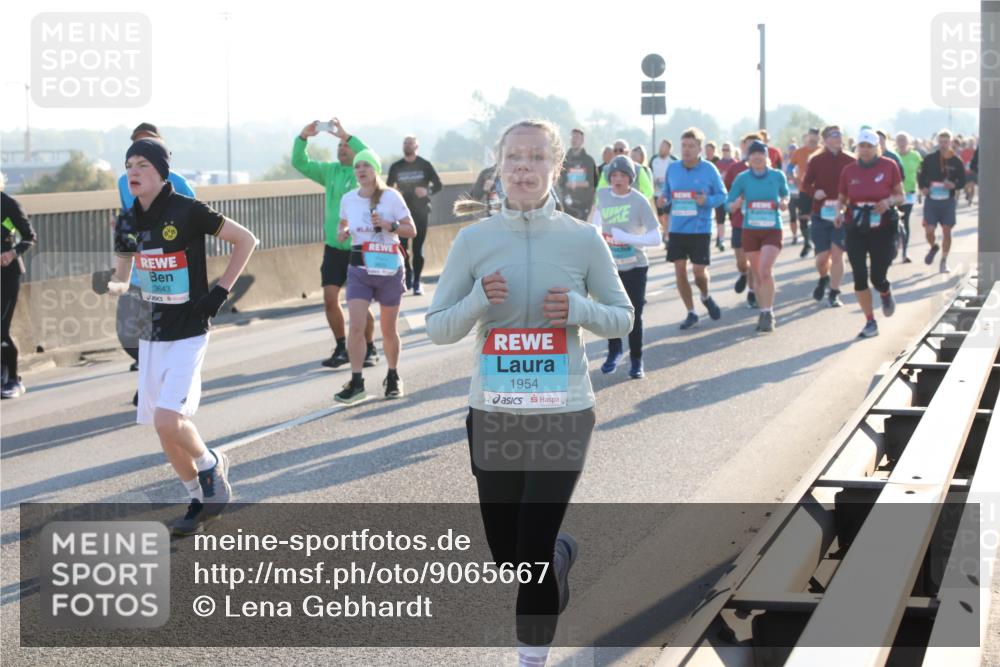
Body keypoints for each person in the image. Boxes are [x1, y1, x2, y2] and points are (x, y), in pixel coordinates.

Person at [426, 119, 633, 667]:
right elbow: (438, 326)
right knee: (510, 556)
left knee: (533, 552)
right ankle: (561, 557)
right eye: (514, 157)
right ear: (499, 166)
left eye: (536, 157)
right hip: (494, 413)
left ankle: (530, 659)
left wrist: (581, 311)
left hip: (562, 412)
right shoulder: (473, 240)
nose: (523, 167)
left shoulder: (582, 238)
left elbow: (622, 319)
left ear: (555, 167)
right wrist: (476, 300)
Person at [93, 138, 257, 535]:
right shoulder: (128, 221)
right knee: (162, 427)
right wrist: (109, 286)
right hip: (152, 333)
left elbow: (246, 240)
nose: (132, 171)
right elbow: (123, 279)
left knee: (170, 418)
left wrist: (220, 291)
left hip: (188, 330)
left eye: (142, 165)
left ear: (162, 171)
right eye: (129, 164)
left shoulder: (188, 210)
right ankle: (197, 498)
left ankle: (210, 465)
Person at [111, 123, 196, 380]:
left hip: (169, 272)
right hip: (139, 268)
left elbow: (195, 221)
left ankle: (158, 378)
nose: (142, 150)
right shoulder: (124, 182)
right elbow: (129, 219)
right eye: (136, 146)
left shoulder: (179, 183)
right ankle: (154, 368)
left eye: (150, 144)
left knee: (160, 333)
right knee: (127, 335)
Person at [293, 118, 378, 369]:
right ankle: (342, 346)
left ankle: (369, 346)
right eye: (339, 146)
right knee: (331, 298)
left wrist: (346, 134)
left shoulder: (364, 173)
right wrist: (302, 137)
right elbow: (300, 162)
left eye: (346, 146)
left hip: (358, 247)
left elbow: (370, 154)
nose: (341, 148)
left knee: (358, 303)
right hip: (333, 246)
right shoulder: (329, 172)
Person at [334, 149, 417, 404]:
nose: (360, 170)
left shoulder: (391, 197)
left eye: (366, 166)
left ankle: (393, 377)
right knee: (356, 327)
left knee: (388, 329)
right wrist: (343, 231)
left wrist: (389, 226)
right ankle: (357, 381)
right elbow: (342, 224)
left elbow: (410, 230)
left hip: (388, 267)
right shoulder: (348, 199)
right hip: (359, 268)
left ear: (375, 170)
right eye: (357, 166)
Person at [590, 155, 660, 378]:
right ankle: (614, 351)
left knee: (634, 314)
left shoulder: (639, 201)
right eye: (613, 175)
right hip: (610, 265)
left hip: (636, 266)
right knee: (611, 311)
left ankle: (637, 360)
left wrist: (629, 238)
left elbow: (656, 237)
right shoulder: (602, 195)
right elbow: (596, 222)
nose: (617, 179)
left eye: (622, 175)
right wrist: (598, 233)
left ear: (630, 178)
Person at [835, 129, 904, 338]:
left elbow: (901, 196)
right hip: (856, 225)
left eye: (869, 146)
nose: (865, 150)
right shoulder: (849, 170)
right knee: (859, 275)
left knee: (877, 276)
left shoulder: (889, 166)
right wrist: (838, 212)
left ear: (877, 147)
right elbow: (842, 198)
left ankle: (885, 291)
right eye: (861, 146)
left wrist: (888, 202)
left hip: (882, 227)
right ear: (857, 148)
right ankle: (870, 321)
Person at [660, 127, 727, 329]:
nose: (687, 150)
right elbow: (667, 193)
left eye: (691, 146)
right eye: (684, 146)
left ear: (700, 148)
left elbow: (723, 196)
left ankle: (705, 296)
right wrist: (664, 199)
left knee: (699, 273)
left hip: (700, 229)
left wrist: (706, 200)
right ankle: (691, 312)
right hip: (678, 228)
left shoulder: (709, 169)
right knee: (679, 270)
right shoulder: (673, 168)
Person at [725, 140, 789, 332]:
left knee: (764, 269)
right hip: (750, 230)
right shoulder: (742, 178)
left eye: (761, 153)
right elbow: (729, 202)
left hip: (772, 228)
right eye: (753, 154)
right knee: (758, 274)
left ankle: (769, 312)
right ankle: (763, 310)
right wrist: (734, 204)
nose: (757, 157)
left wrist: (784, 202)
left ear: (766, 156)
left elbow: (786, 195)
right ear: (748, 158)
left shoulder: (777, 176)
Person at [801, 125, 854, 307]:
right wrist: (814, 192)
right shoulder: (816, 160)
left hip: (842, 214)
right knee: (822, 258)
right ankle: (824, 277)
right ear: (825, 139)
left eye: (840, 134)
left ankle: (834, 292)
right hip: (821, 214)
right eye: (834, 134)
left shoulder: (850, 160)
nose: (839, 137)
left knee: (837, 255)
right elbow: (806, 184)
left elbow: (855, 184)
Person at [386, 136, 443, 295]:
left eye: (410, 143)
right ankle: (408, 273)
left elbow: (438, 185)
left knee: (418, 249)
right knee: (402, 247)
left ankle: (417, 281)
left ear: (417, 146)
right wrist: (395, 192)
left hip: (420, 212)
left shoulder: (424, 165)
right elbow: (387, 188)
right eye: (405, 143)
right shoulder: (396, 166)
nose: (407, 145)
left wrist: (427, 191)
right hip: (401, 213)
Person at [1, 185, 37, 399]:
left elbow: (29, 236)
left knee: (1, 328)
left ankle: (14, 379)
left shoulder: (7, 203)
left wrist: (11, 253)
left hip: (7, 274)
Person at [918, 129, 966, 273]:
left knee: (946, 231)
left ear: (951, 142)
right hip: (932, 201)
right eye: (941, 142)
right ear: (937, 142)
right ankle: (934, 246)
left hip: (947, 201)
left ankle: (944, 261)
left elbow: (962, 181)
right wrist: (923, 188)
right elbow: (921, 176)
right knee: (929, 231)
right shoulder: (929, 158)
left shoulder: (957, 161)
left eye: (946, 142)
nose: (943, 144)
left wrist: (954, 185)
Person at [724, 135, 757, 307]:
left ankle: (752, 292)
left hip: (757, 222)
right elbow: (726, 192)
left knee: (754, 259)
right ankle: (743, 274)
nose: (753, 151)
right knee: (742, 261)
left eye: (757, 148)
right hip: (738, 220)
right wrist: (733, 202)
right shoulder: (735, 168)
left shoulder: (766, 171)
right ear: (743, 147)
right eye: (750, 146)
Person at [790, 128, 822, 257]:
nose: (813, 139)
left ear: (819, 138)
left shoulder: (822, 151)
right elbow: (790, 167)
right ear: (807, 137)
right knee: (803, 218)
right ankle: (807, 243)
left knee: (817, 218)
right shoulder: (799, 152)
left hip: (819, 191)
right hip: (803, 190)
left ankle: (818, 245)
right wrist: (794, 178)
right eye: (811, 137)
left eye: (816, 137)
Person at [558, 128, 599, 222]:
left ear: (582, 141)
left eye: (577, 137)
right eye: (572, 137)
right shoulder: (564, 160)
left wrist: (576, 183)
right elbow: (560, 181)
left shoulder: (589, 160)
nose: (574, 140)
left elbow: (594, 182)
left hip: (584, 203)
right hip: (567, 202)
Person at [895, 132, 923, 263]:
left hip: (909, 193)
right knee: (894, 220)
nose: (901, 142)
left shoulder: (915, 156)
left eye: (904, 140)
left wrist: (922, 188)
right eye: (899, 140)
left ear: (908, 142)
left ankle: (905, 253)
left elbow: (920, 172)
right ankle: (894, 245)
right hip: (894, 194)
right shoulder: (893, 155)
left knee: (905, 220)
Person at [651, 139, 678, 253]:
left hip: (669, 194)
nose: (661, 148)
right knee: (661, 217)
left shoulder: (673, 161)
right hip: (657, 193)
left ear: (669, 149)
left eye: (664, 147)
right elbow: (649, 174)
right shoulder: (654, 160)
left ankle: (667, 237)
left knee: (667, 216)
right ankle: (666, 232)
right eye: (660, 146)